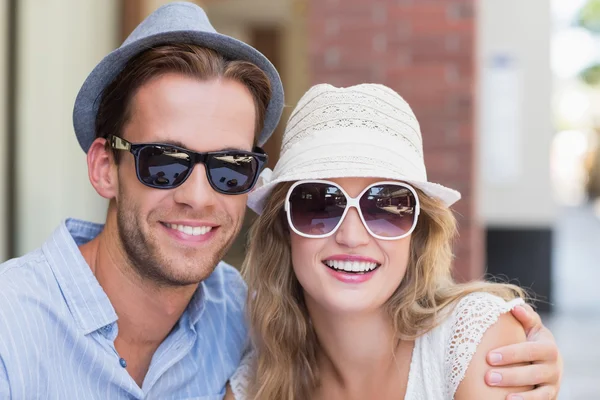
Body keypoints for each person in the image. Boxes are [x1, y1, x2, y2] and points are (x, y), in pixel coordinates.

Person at [0, 2, 560, 399]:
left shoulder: (240, 321)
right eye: (165, 163)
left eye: (228, 168)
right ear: (105, 167)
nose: (197, 196)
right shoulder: (12, 328)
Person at [226, 83, 562, 400]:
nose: (352, 237)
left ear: (417, 230)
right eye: (319, 205)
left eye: (386, 205)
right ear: (284, 228)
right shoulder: (256, 384)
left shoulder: (474, 343)